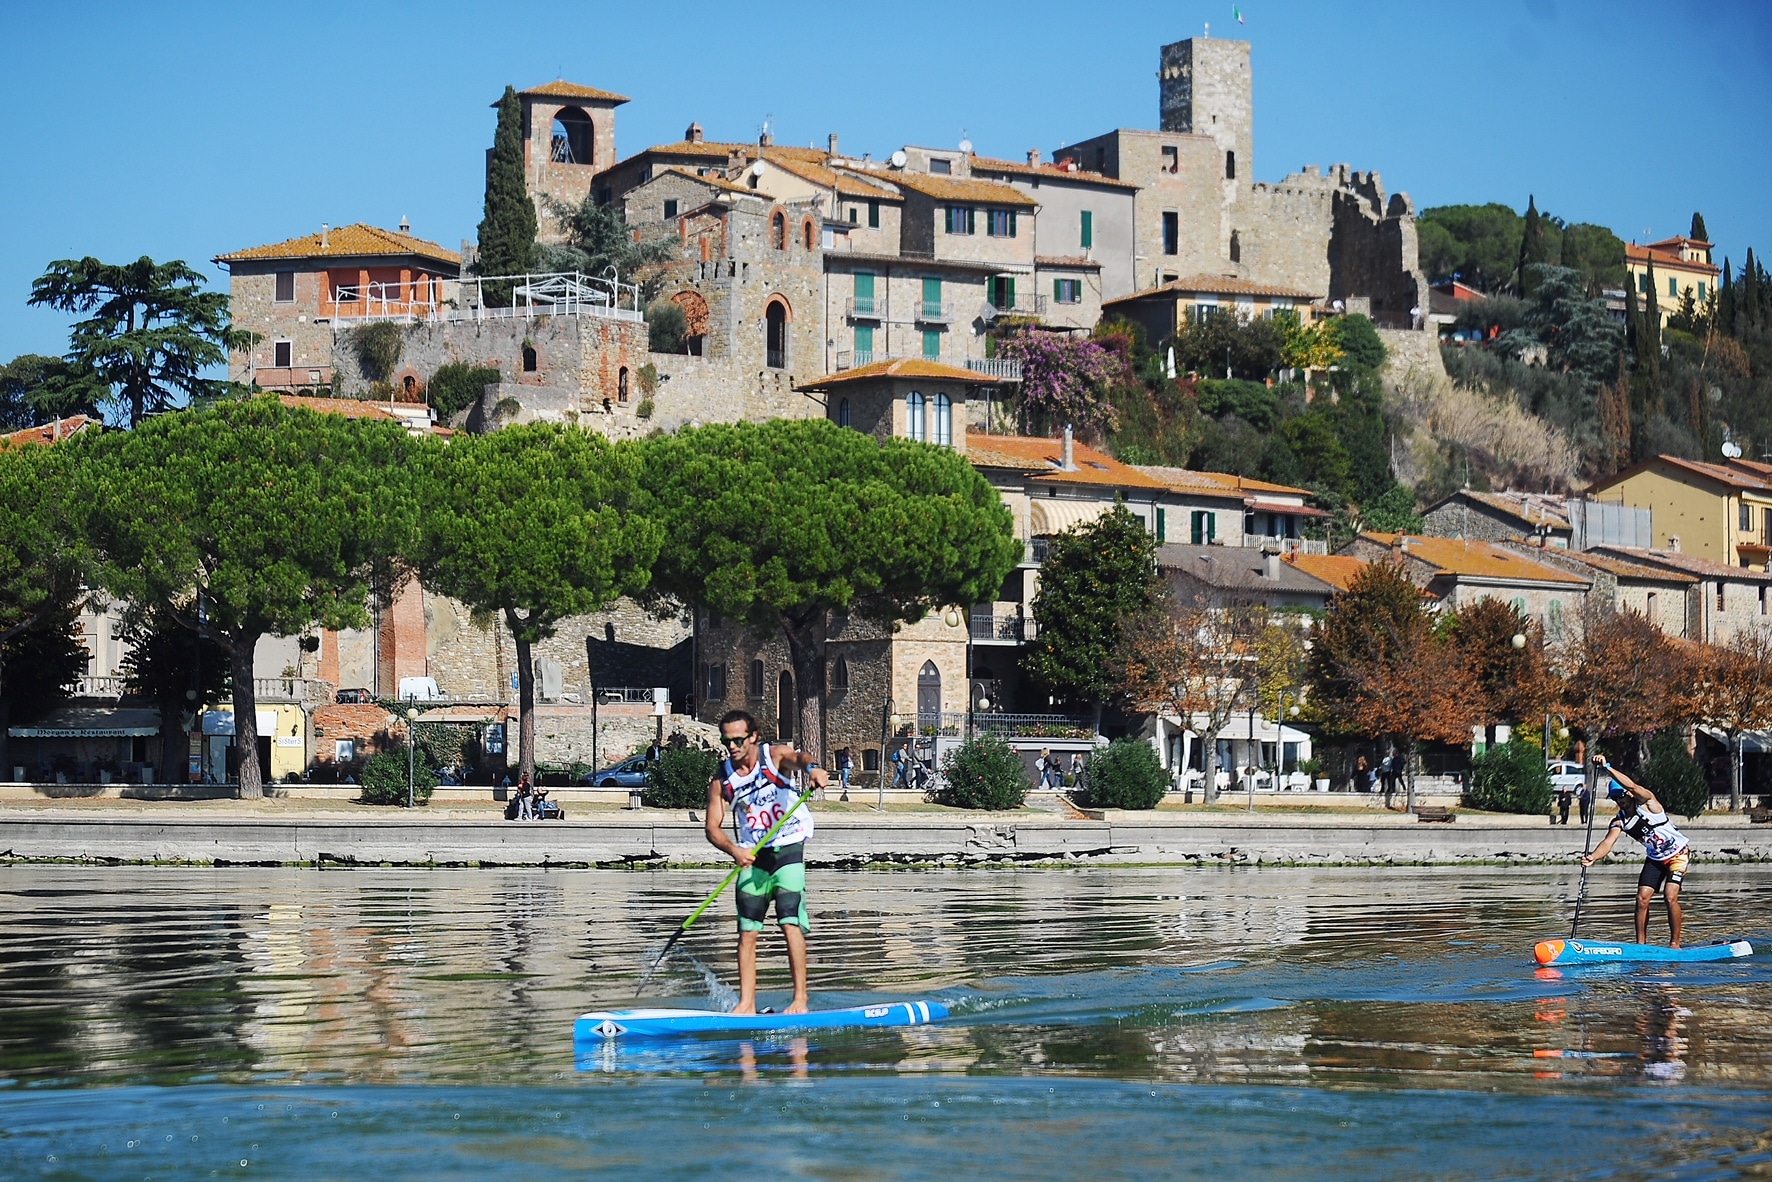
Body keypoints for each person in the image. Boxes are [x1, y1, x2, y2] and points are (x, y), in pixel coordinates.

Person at [704, 709, 828, 1015]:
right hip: (753, 856)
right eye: (726, 741)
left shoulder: (773, 757)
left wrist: (813, 769)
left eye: (737, 740)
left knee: (790, 920)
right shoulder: (722, 780)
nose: (732, 746)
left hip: (787, 848)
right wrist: (734, 851)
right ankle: (747, 1004)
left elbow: (799, 757)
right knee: (748, 930)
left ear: (753, 737)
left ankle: (800, 1000)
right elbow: (712, 827)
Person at [1580, 757, 1692, 947]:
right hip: (1656, 859)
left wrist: (1607, 767)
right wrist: (1593, 857)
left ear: (1629, 795)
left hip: (1678, 854)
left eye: (1621, 796)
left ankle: (1675, 943)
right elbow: (1609, 842)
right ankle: (1641, 945)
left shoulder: (1649, 803)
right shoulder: (1620, 821)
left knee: (1669, 895)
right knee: (1641, 899)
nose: (1619, 801)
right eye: (1615, 798)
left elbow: (1632, 785)